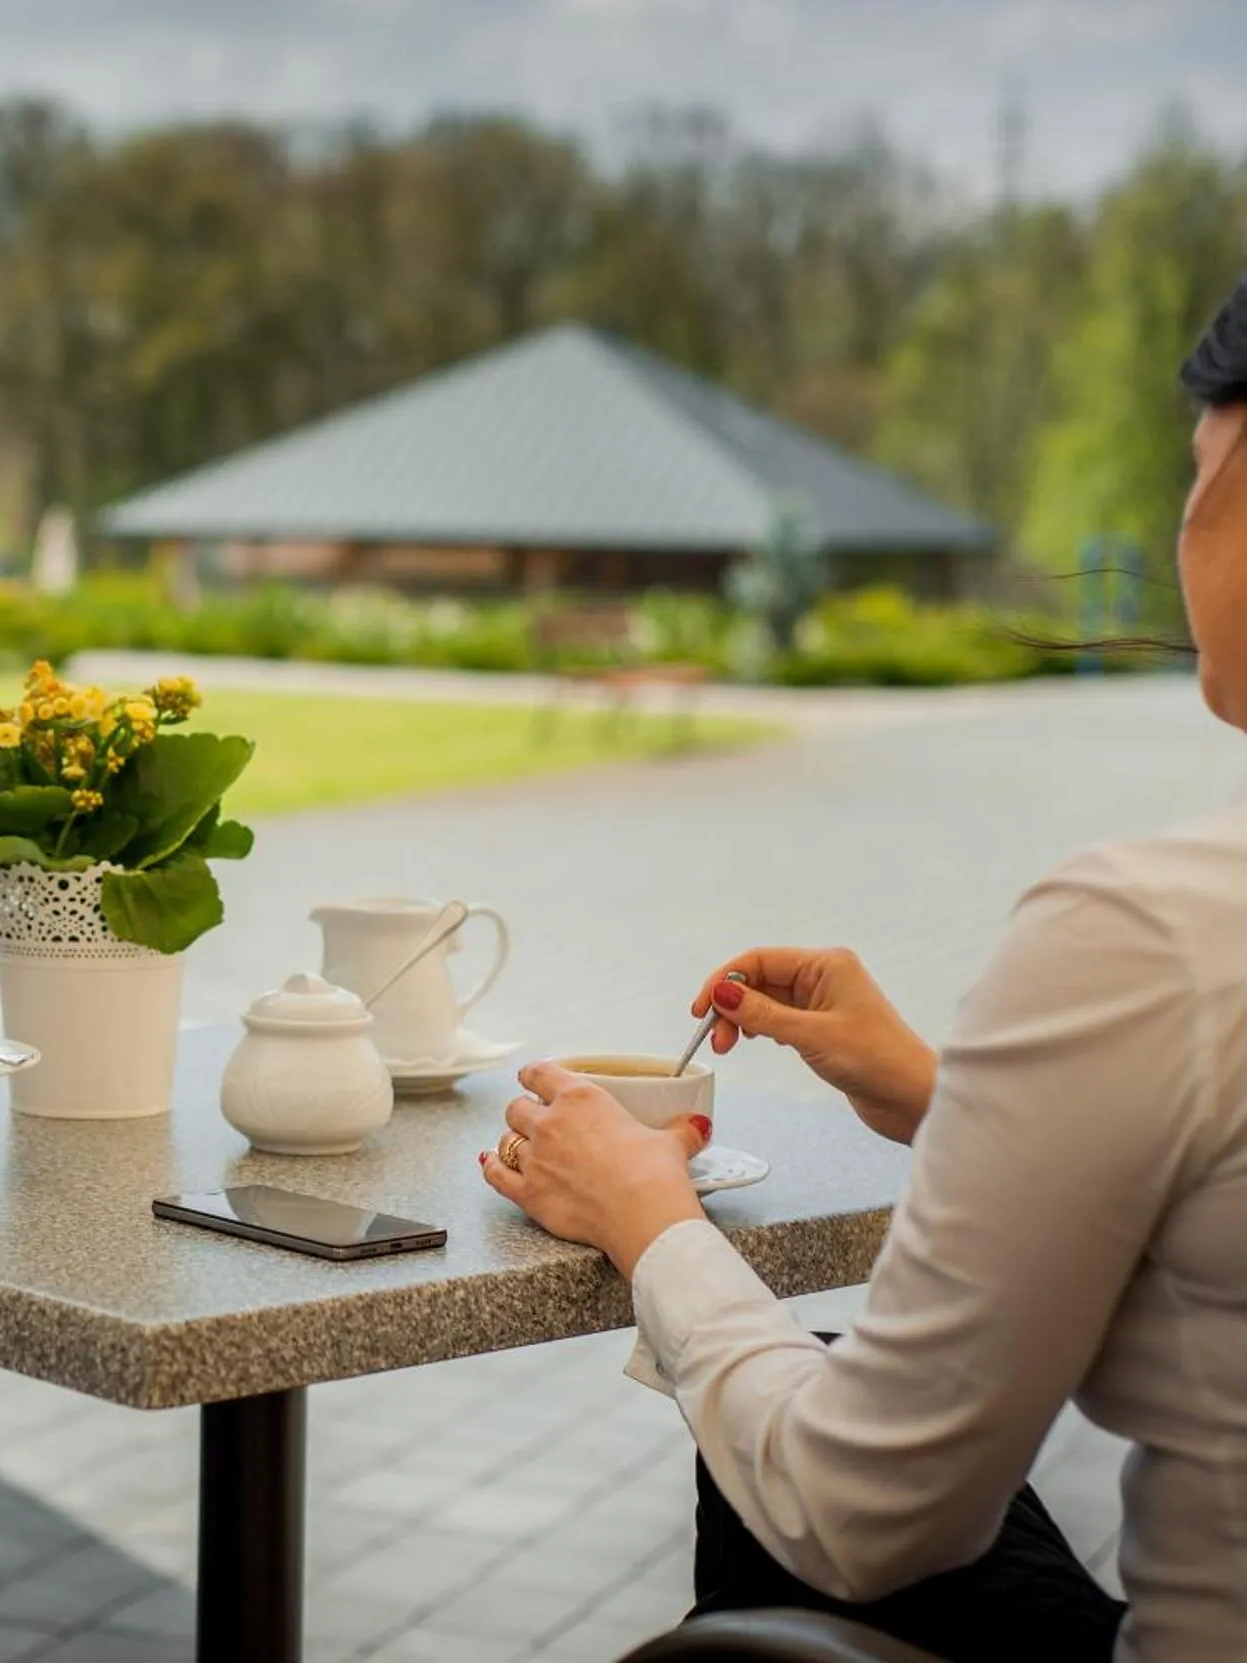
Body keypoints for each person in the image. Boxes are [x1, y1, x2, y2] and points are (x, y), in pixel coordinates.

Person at [477, 282, 1247, 1661]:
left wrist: (652, 1221)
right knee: (818, 1371)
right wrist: (947, 1098)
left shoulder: (1153, 932)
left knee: (784, 1437)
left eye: (1200, 467)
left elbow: (855, 1514)